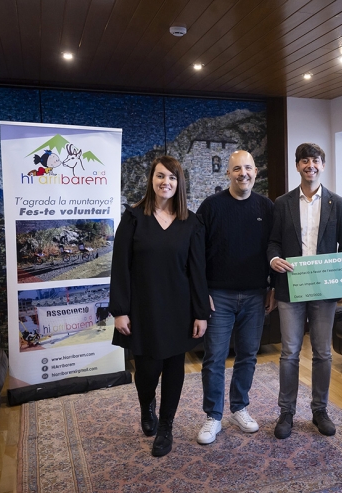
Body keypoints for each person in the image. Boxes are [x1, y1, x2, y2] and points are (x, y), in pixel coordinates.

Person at [109, 155, 209, 457]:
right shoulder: (133, 218)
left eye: (172, 177)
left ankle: (166, 426)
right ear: (151, 180)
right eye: (161, 176)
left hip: (179, 309)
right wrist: (120, 310)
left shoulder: (191, 222)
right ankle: (147, 404)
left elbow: (197, 271)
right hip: (143, 308)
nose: (166, 182)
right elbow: (120, 267)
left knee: (174, 368)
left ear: (180, 183)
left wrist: (200, 313)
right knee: (147, 370)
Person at [268, 142, 342, 439]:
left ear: (322, 165)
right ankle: (286, 412)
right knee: (290, 352)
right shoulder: (282, 203)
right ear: (297, 166)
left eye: (315, 160)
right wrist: (274, 259)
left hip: (324, 290)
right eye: (304, 161)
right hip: (290, 288)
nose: (310, 165)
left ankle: (320, 410)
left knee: (322, 353)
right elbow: (273, 242)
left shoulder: (338, 203)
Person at [195, 150, 275, 445]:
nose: (244, 173)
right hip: (219, 296)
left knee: (248, 356)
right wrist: (202, 291)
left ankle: (239, 407)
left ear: (256, 172)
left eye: (248, 168)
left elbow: (274, 249)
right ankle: (213, 415)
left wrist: (273, 287)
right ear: (228, 173)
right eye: (237, 169)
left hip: (256, 294)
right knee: (214, 358)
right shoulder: (211, 206)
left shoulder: (266, 207)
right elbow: (196, 253)